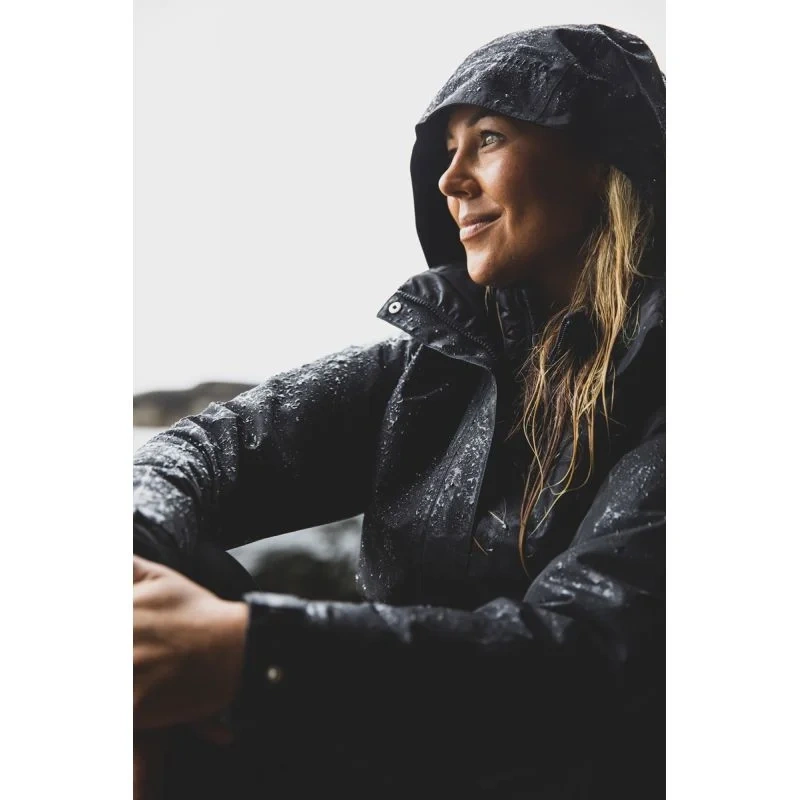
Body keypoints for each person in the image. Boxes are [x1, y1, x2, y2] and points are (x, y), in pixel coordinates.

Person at [133, 23, 665, 799]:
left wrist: (253, 653)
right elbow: (200, 451)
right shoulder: (434, 370)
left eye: (487, 138)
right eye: (445, 151)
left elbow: (590, 656)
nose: (451, 180)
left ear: (600, 159)